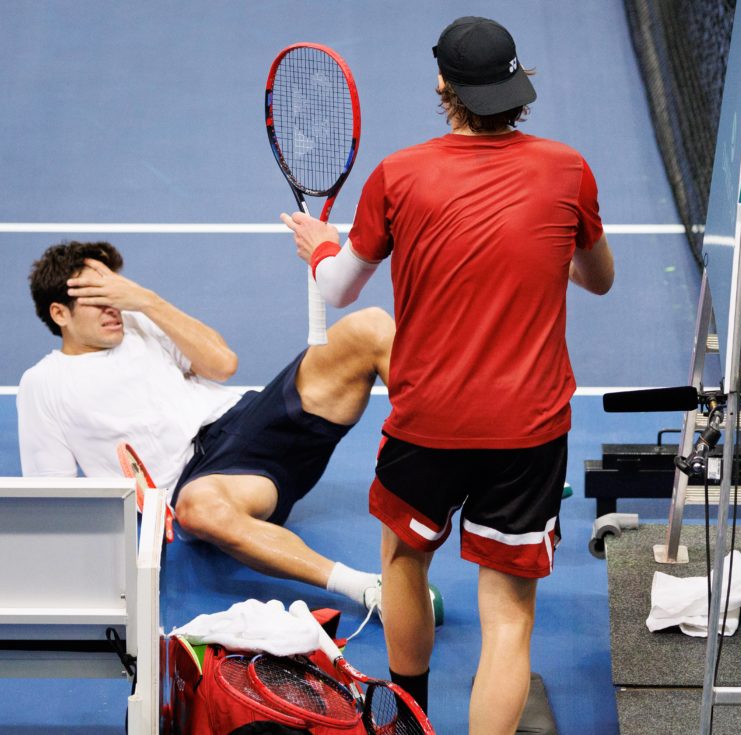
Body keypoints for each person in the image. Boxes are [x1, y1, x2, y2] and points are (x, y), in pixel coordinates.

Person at [282, 15, 615, 734]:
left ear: (443, 85)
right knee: (508, 614)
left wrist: (320, 247)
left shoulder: (398, 175)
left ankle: (407, 718)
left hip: (427, 424)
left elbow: (340, 289)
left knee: (403, 559)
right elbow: (600, 278)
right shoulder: (569, 169)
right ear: (518, 87)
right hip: (528, 431)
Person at [17, 239, 436, 622]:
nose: (114, 306)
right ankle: (368, 587)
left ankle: (449, 438)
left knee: (369, 327)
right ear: (60, 313)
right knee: (198, 510)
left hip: (250, 420)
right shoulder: (44, 383)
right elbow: (53, 493)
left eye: (116, 290)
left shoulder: (141, 323)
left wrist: (147, 301)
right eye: (98, 297)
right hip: (211, 481)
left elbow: (222, 364)